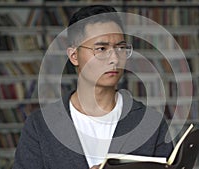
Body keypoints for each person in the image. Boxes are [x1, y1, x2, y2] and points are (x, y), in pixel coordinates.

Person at [13, 5, 173, 169]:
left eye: (120, 48)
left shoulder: (150, 123)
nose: (114, 59)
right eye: (101, 49)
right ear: (74, 56)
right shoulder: (40, 126)